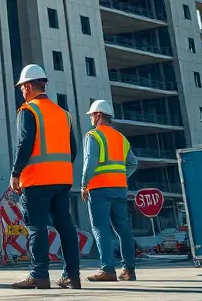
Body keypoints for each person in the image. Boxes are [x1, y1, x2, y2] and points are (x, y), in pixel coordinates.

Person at [9, 65, 82, 290]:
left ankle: (39, 275)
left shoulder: (28, 110)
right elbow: (73, 149)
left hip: (36, 181)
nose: (22, 91)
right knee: (65, 226)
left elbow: (25, 144)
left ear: (29, 86)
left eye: (22, 87)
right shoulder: (63, 114)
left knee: (36, 227)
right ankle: (72, 276)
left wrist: (15, 173)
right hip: (62, 181)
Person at [82, 99, 139, 282]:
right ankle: (129, 270)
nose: (91, 119)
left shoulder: (94, 136)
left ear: (98, 116)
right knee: (123, 228)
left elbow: (90, 162)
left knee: (101, 228)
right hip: (120, 189)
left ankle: (107, 269)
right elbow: (133, 163)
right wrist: (120, 176)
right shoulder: (121, 138)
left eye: (92, 115)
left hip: (99, 189)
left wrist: (84, 184)